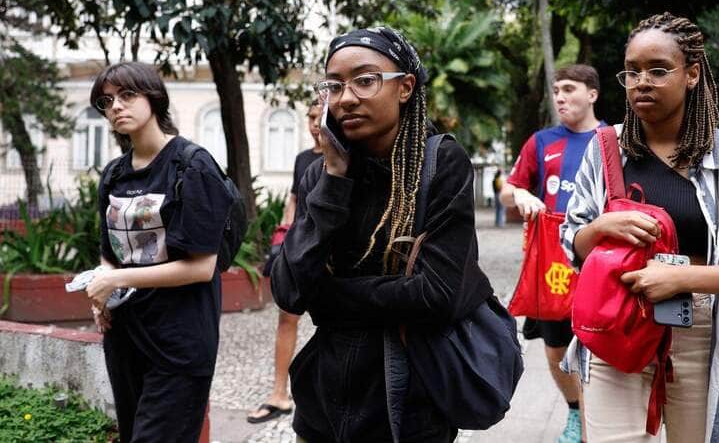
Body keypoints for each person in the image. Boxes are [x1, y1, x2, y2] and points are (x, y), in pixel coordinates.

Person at [270, 26, 494, 442]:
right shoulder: (319, 172)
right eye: (333, 85)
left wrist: (331, 297)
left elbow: (438, 295)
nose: (347, 97)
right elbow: (288, 291)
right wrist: (334, 179)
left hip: (408, 406)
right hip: (322, 404)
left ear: (405, 87)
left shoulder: (440, 163)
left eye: (365, 80)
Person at [560, 12, 719, 441]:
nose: (642, 82)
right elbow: (572, 240)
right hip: (615, 325)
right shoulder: (604, 150)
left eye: (658, 70)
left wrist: (678, 278)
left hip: (702, 333)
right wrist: (599, 228)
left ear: (691, 74)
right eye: (632, 72)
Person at [84, 62, 235, 442]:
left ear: (154, 97)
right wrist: (105, 296)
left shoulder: (191, 165)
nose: (116, 106)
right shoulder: (114, 174)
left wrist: (115, 278)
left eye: (127, 95)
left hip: (180, 339)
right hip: (126, 335)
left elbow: (202, 267)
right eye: (107, 100)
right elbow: (110, 251)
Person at [500, 64, 605, 443]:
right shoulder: (542, 141)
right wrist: (521, 194)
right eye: (556, 90)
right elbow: (507, 190)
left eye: (569, 89)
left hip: (601, 260)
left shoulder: (613, 140)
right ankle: (576, 411)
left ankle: (603, 416)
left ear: (592, 94)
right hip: (551, 263)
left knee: (600, 340)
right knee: (555, 344)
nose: (559, 96)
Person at [247, 98, 323, 423]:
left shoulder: (350, 156)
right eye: (311, 117)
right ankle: (279, 394)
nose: (315, 122)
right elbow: (294, 198)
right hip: (300, 251)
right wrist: (286, 232)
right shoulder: (303, 158)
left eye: (321, 116)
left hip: (333, 255)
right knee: (287, 318)